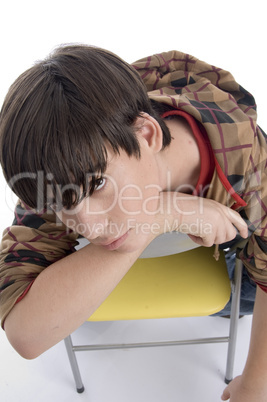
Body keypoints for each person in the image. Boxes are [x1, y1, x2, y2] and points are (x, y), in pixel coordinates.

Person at [0, 45, 266, 401]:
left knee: (245, 294)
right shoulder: (63, 160)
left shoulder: (249, 161)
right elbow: (26, 336)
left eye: (97, 185)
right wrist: (162, 214)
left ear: (148, 135)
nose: (89, 227)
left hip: (227, 248)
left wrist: (254, 383)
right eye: (60, 203)